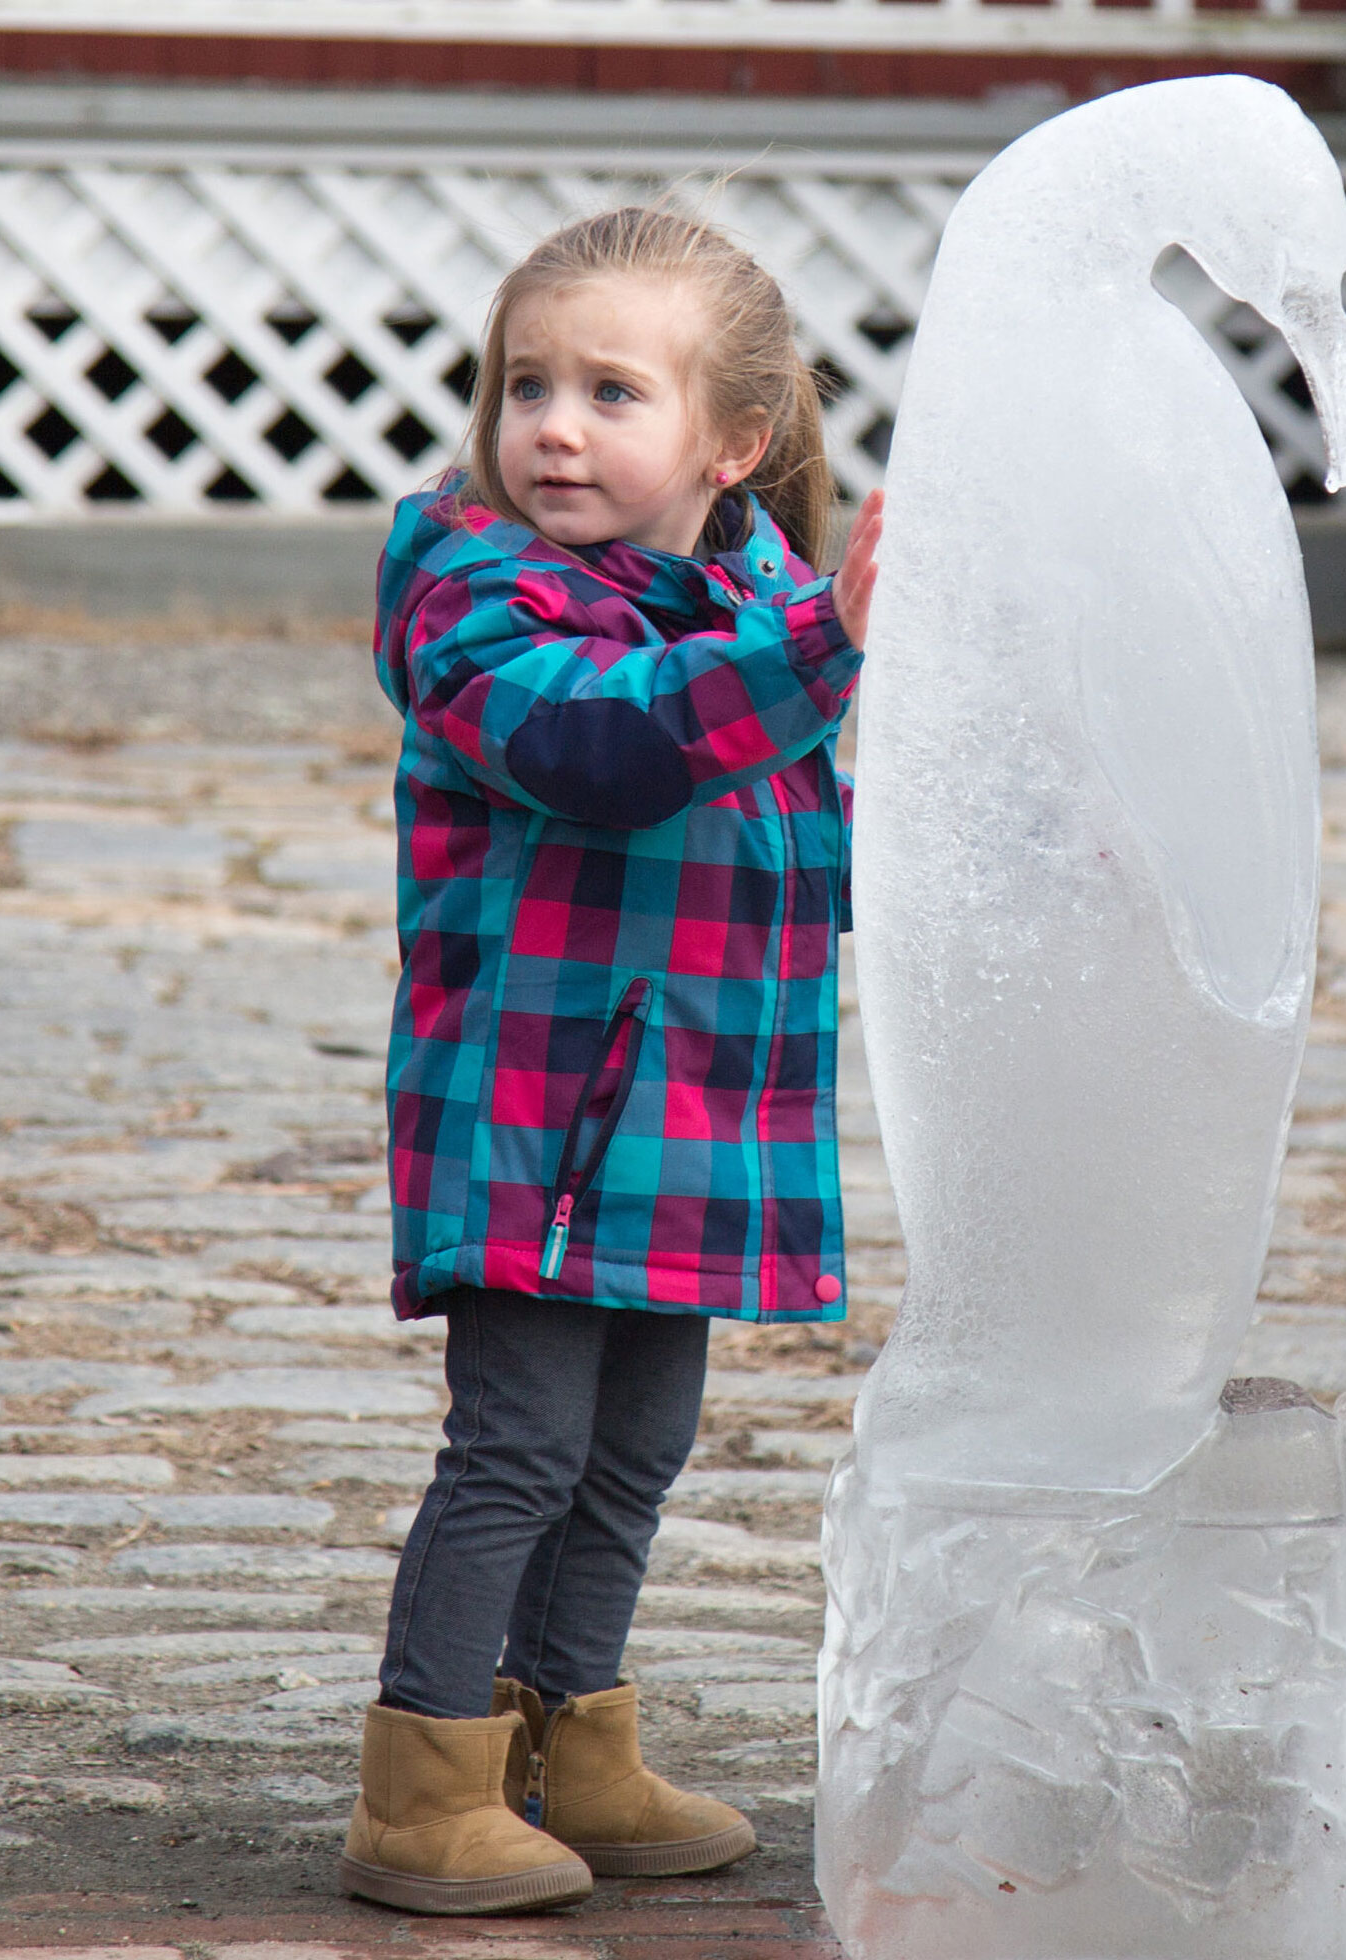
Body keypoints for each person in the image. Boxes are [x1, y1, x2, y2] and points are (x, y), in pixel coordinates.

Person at [344, 204, 883, 1916]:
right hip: (540, 1105)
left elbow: (802, 840)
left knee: (638, 1445)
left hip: (700, 1105)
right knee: (518, 1443)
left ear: (734, 441)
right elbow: (606, 748)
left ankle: (570, 1738)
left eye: (608, 392)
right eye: (526, 386)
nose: (552, 428)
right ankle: (423, 1782)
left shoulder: (755, 600)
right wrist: (820, 652)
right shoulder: (475, 599)